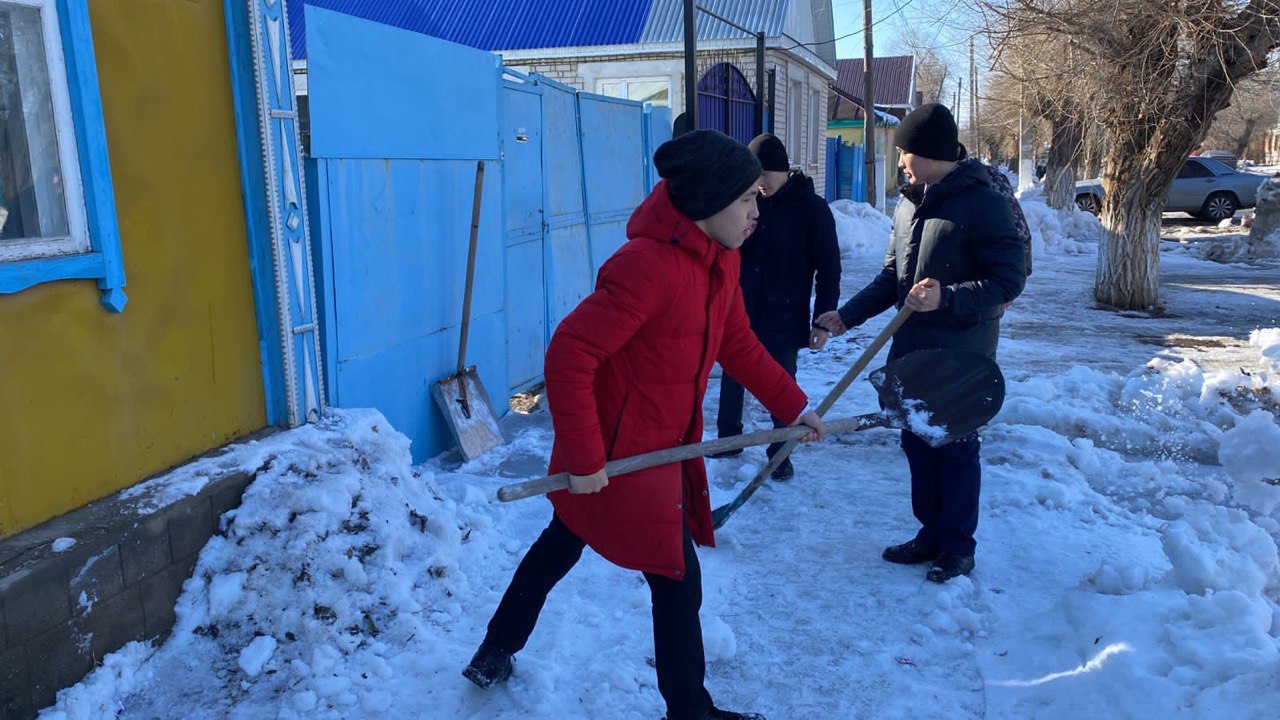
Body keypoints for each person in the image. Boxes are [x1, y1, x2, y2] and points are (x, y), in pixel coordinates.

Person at [464, 129, 826, 720]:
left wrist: (791, 406)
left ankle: (495, 649)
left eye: (758, 199)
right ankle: (690, 710)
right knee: (675, 576)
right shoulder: (645, 267)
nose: (756, 213)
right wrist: (584, 459)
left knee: (561, 542)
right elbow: (569, 355)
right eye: (746, 201)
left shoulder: (722, 263)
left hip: (660, 446)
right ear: (710, 203)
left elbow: (737, 343)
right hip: (617, 454)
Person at [815, 104, 1026, 583]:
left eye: (906, 152)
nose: (901, 162)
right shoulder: (909, 202)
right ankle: (929, 534)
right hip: (911, 349)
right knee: (916, 443)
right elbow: (893, 277)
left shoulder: (982, 202)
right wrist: (845, 317)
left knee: (953, 448)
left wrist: (947, 299)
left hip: (960, 354)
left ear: (932, 152)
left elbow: (1008, 281)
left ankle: (957, 548)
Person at [711, 133, 841, 481]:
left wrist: (823, 319)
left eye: (763, 176)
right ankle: (727, 440)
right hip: (740, 308)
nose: (759, 185)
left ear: (781, 171)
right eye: (753, 180)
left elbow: (829, 266)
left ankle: (780, 452)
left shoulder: (811, 209)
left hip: (785, 312)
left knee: (782, 382)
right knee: (733, 374)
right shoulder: (748, 203)